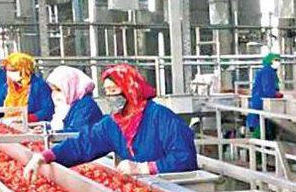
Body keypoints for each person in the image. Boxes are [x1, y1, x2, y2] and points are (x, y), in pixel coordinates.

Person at [24, 63, 196, 180]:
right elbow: (84, 144)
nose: (111, 97)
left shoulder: (160, 117)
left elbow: (184, 157)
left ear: (131, 90)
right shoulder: (114, 124)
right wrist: (45, 156)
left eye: (114, 90)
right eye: (107, 91)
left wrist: (145, 168)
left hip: (177, 187)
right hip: (148, 187)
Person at [0, 52, 54, 122]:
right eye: (7, 70)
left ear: (25, 70)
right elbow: (1, 107)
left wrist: (22, 119)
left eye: (13, 71)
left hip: (31, 127)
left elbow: (47, 111)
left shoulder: (39, 86)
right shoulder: (8, 86)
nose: (9, 74)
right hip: (9, 124)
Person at [45, 65, 104, 133]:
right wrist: (45, 128)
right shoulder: (69, 104)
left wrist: (51, 133)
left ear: (71, 87)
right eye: (53, 90)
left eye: (58, 90)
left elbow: (76, 132)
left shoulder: (85, 105)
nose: (54, 94)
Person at [246, 53, 283, 139]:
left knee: (261, 126)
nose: (278, 63)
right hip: (261, 102)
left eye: (278, 60)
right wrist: (276, 94)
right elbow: (267, 89)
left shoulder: (269, 71)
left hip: (259, 101)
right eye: (276, 60)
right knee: (262, 128)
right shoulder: (267, 71)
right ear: (269, 61)